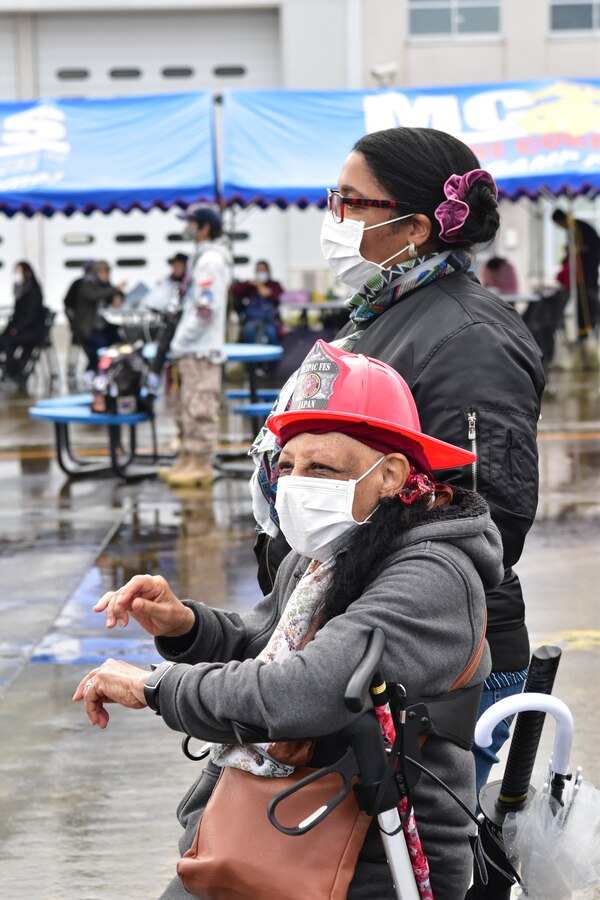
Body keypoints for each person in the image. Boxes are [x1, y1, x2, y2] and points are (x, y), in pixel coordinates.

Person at [74, 341, 503, 899]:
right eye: (288, 466)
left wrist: (157, 688)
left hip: (371, 855)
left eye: (322, 467)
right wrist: (185, 626)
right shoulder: (327, 547)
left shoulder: (433, 574)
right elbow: (264, 642)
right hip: (283, 821)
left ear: (392, 474)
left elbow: (302, 690)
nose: (297, 484)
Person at [250, 126, 546, 797]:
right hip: (358, 633)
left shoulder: (468, 340)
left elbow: (485, 518)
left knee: (421, 866)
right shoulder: (381, 316)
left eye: (351, 202)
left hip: (432, 657)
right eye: (334, 197)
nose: (335, 217)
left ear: (413, 228)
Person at [160, 205, 231, 489]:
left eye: (190, 223)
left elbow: (205, 308)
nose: (186, 229)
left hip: (201, 349)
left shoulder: (211, 260)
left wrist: (181, 339)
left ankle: (200, 463)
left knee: (200, 407)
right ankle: (188, 459)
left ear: (204, 227)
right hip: (191, 349)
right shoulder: (201, 257)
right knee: (186, 408)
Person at [551, 208, 600, 343]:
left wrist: (580, 251)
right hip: (581, 275)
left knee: (589, 301)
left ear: (560, 221)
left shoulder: (578, 228)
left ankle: (587, 330)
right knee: (583, 302)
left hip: (586, 274)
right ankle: (584, 332)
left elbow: (593, 247)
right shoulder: (575, 228)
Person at [67, 260, 124, 372]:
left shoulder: (104, 285)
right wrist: (114, 290)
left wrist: (117, 298)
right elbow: (95, 296)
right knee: (99, 345)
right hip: (89, 327)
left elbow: (113, 296)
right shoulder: (86, 284)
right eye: (104, 272)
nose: (107, 275)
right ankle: (92, 370)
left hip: (105, 326)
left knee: (119, 342)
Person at [0, 261, 45, 383]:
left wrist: (16, 330)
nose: (16, 275)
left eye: (19, 272)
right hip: (20, 330)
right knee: (4, 340)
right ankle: (12, 369)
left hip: (30, 332)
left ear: (27, 273)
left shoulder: (33, 292)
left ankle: (12, 371)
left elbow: (30, 317)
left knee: (7, 342)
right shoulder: (22, 291)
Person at [231, 259, 283, 345]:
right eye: (258, 270)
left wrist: (259, 285)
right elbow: (235, 291)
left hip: (269, 321)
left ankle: (272, 357)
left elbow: (268, 294)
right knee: (249, 331)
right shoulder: (250, 286)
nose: (260, 272)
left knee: (271, 333)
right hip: (251, 320)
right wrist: (248, 283)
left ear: (268, 271)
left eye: (263, 270)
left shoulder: (274, 285)